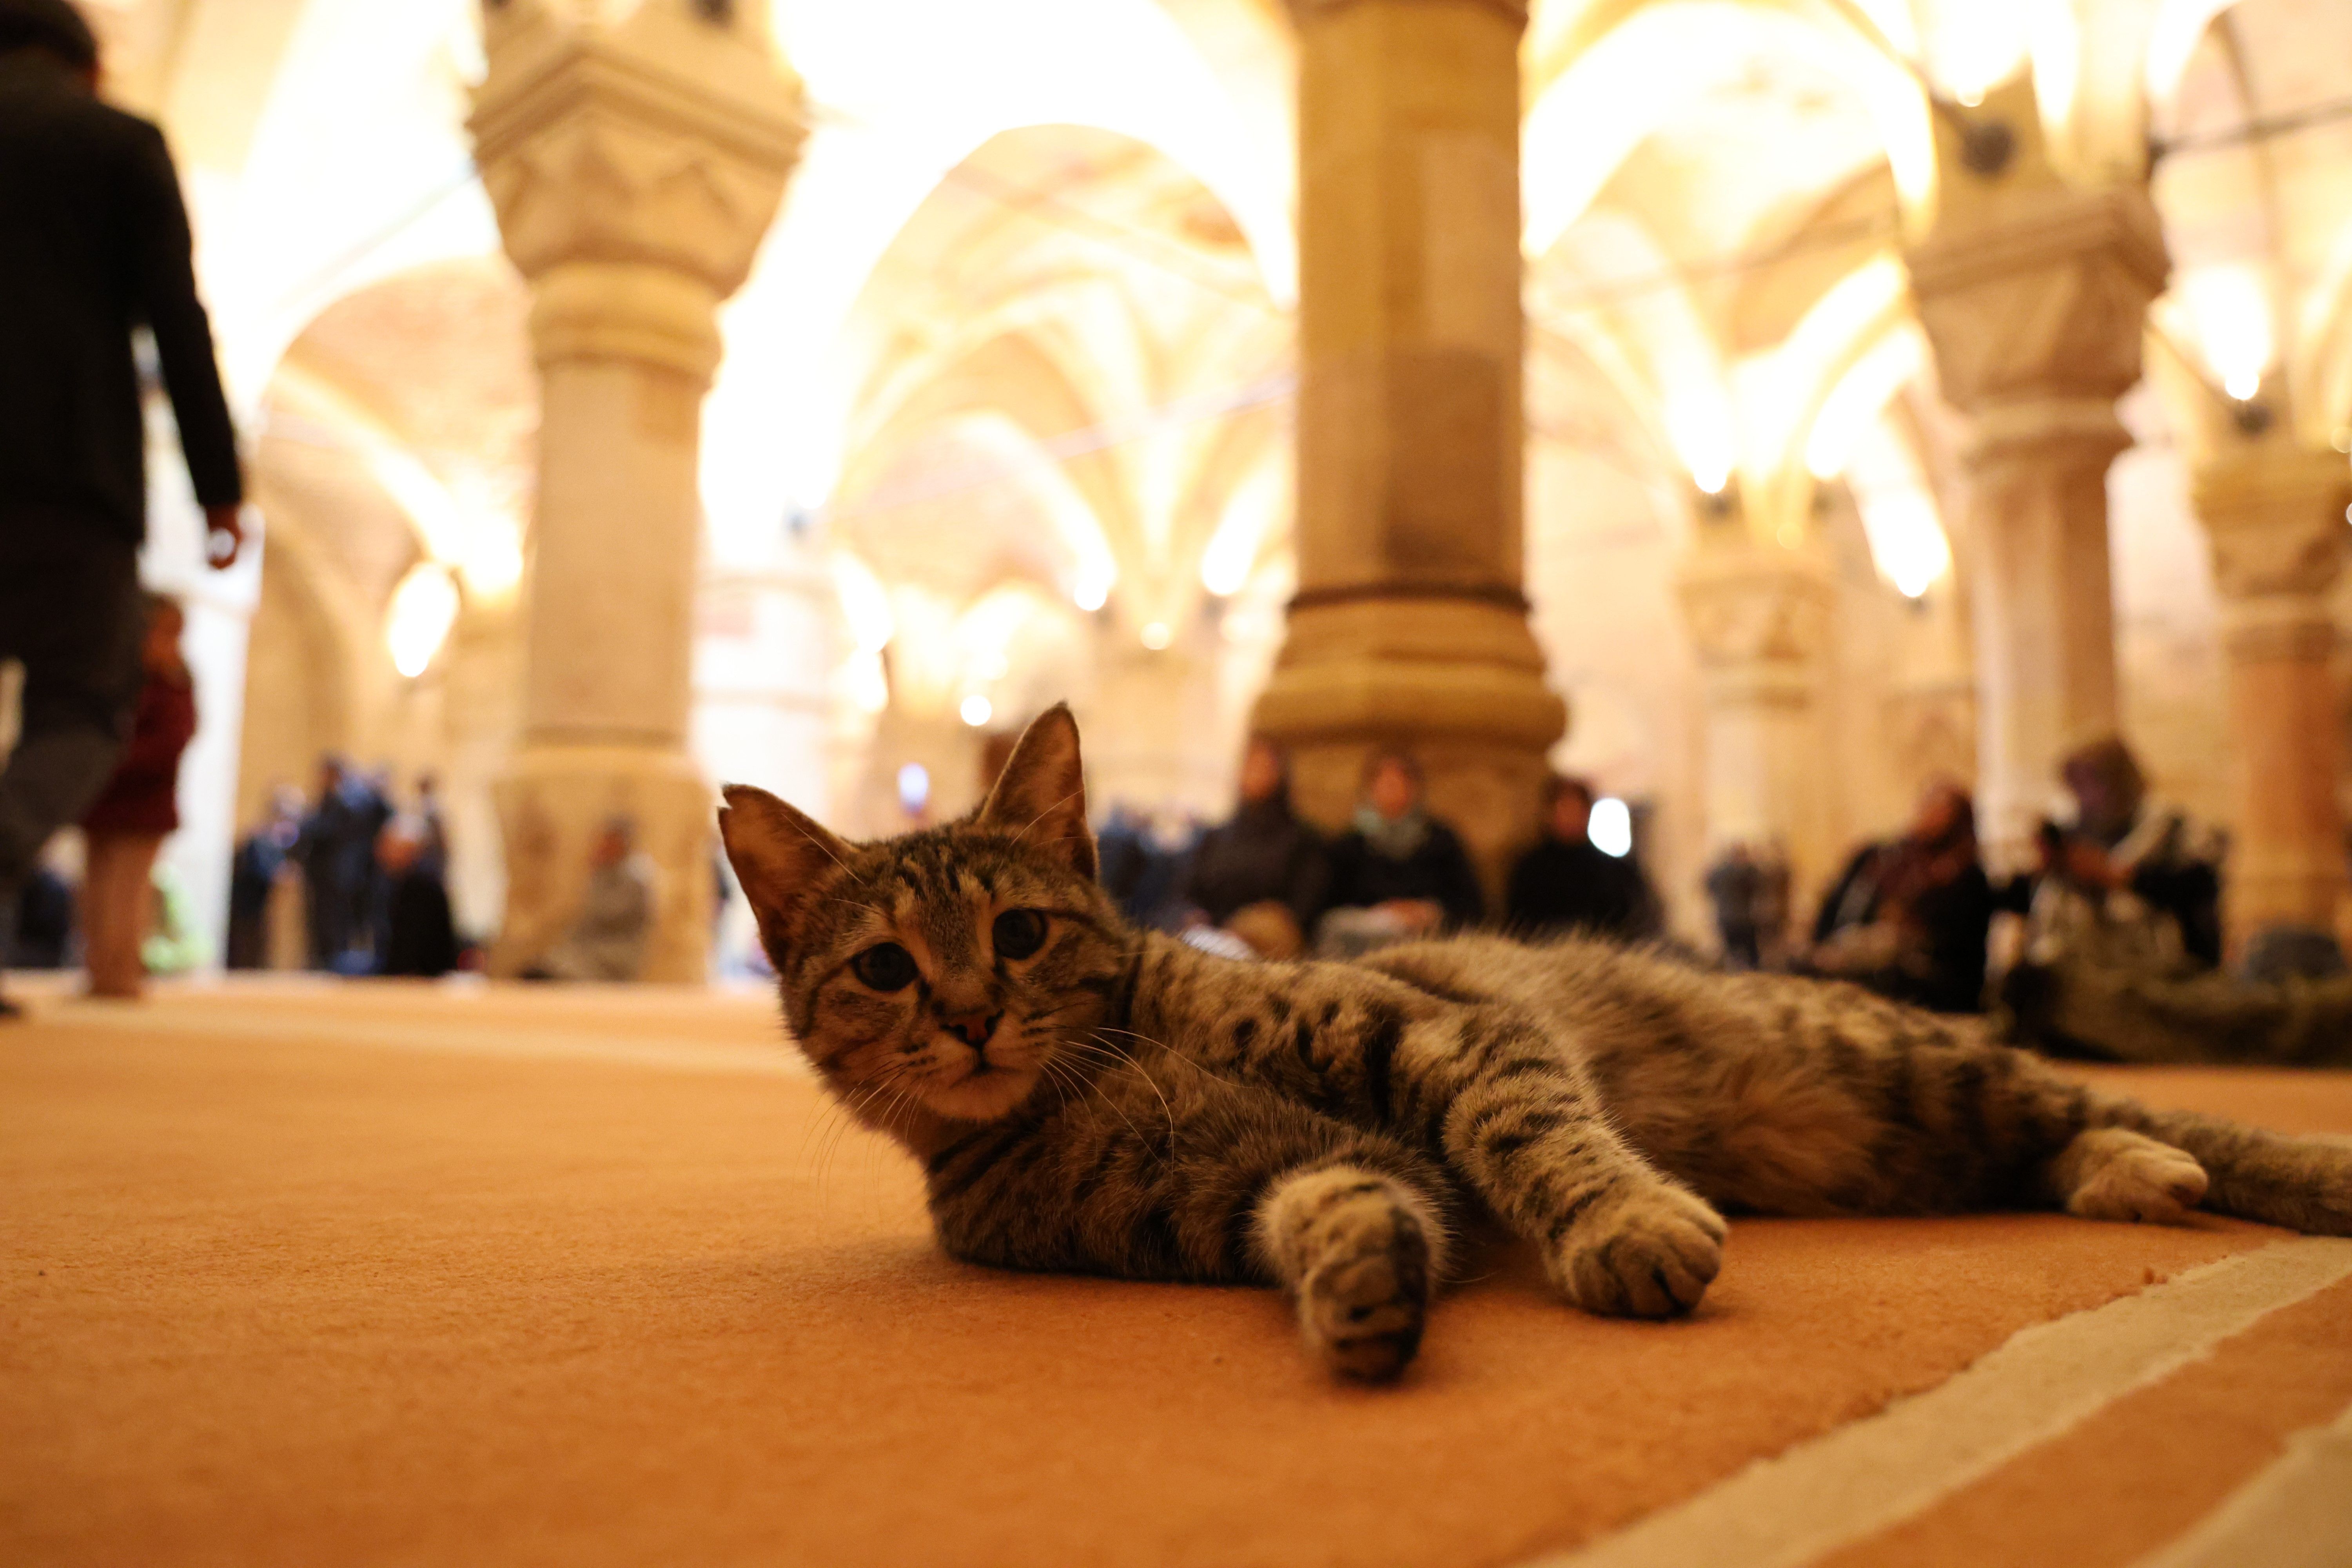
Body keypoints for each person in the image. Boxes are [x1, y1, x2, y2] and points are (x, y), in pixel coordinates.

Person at [0, 0, 243, 1017]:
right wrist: (220, 484)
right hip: (72, 477)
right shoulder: (115, 144)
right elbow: (177, 321)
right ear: (91, 70)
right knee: (84, 706)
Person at [76, 594, 196, 1000]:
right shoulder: (116, 675)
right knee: (94, 893)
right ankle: (97, 971)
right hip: (101, 799)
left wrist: (113, 760)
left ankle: (122, 974)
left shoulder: (175, 682)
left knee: (127, 893)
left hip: (145, 804)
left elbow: (171, 741)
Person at [1806, 782, 1994, 1014]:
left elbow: (1958, 946)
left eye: (1940, 808)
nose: (1928, 813)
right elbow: (1837, 906)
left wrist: (1907, 927)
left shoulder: (1967, 876)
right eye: (1928, 804)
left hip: (1929, 984)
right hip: (1863, 955)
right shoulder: (1884, 857)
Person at [1318, 750, 1484, 956]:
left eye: (1400, 783)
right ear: (1370, 789)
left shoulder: (1441, 842)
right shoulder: (1349, 847)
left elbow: (1471, 906)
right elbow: (1327, 910)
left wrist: (1427, 913)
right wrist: (1382, 914)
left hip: (1431, 948)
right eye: (1385, 783)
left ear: (1415, 789)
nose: (1393, 791)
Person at [1183, 737, 1328, 959]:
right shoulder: (1215, 838)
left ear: (1281, 774)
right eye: (1249, 765)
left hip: (1268, 949)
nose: (1255, 774)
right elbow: (1188, 892)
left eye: (1264, 766)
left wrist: (1251, 930)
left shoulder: (1303, 841)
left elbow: (1303, 909)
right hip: (1210, 937)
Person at [1506, 775, 1660, 943]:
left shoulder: (1614, 871)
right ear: (1549, 813)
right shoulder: (1530, 870)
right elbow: (1520, 926)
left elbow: (1633, 924)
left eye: (1578, 809)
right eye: (1564, 808)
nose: (1571, 816)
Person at [523, 816, 655, 982]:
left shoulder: (636, 878)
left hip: (611, 954)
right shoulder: (606, 873)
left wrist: (598, 870)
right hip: (585, 950)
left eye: (609, 841)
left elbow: (607, 914)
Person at [225, 785, 302, 970]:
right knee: (246, 956)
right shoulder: (259, 839)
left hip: (257, 908)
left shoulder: (270, 840)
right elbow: (263, 871)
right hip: (246, 910)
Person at [376, 816, 457, 978]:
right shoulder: (404, 882)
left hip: (421, 979)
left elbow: (410, 951)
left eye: (388, 845)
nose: (380, 852)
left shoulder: (419, 887)